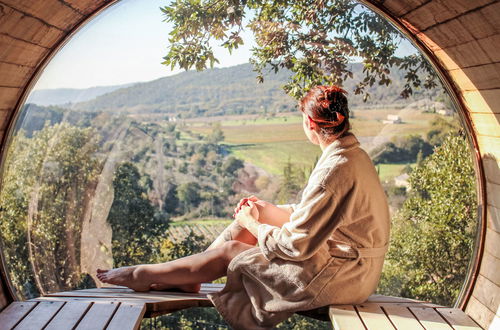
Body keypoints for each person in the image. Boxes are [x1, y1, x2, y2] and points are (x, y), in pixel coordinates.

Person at [97, 85, 390, 329]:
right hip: (348, 262)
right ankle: (191, 277)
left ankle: (144, 275)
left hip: (343, 275)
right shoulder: (350, 156)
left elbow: (296, 247)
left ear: (310, 124)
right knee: (258, 210)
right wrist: (261, 210)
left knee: (232, 252)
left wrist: (252, 224)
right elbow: (317, 212)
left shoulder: (334, 170)